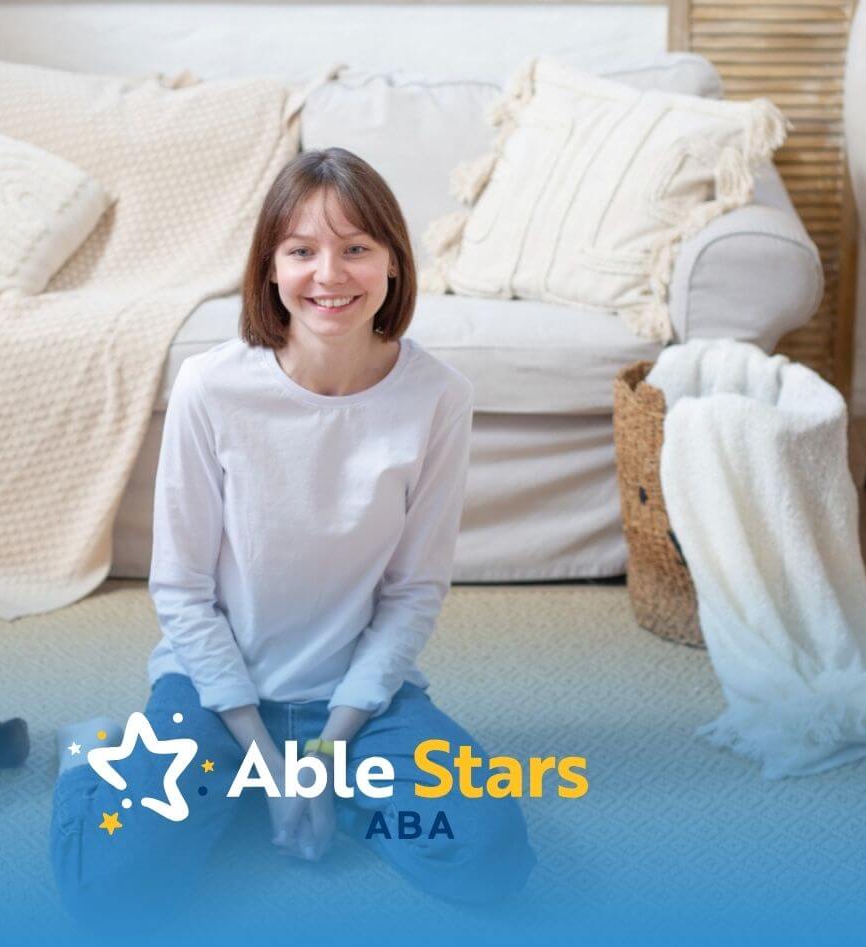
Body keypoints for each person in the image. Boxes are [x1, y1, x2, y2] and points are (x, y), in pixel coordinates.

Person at [50, 148, 535, 927]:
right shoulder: (212, 387)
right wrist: (265, 754)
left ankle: (298, 793)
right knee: (112, 891)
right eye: (302, 250)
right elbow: (181, 591)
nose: (330, 275)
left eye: (356, 249)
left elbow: (413, 593)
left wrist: (328, 749)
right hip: (213, 696)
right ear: (270, 268)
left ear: (394, 265)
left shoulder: (440, 396)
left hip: (357, 705)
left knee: (491, 855)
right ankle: (94, 760)